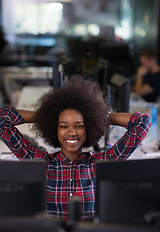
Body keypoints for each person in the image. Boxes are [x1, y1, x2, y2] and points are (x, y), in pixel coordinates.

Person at [0, 75, 151, 221]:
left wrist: (103, 118)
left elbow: (143, 122)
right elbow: (3, 119)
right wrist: (43, 118)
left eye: (79, 126)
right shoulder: (39, 162)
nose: (72, 132)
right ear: (54, 129)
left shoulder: (102, 164)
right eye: (63, 126)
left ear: (89, 128)